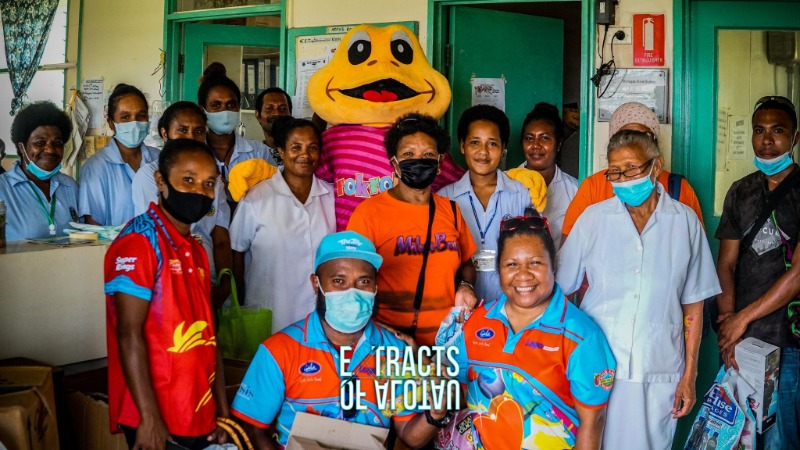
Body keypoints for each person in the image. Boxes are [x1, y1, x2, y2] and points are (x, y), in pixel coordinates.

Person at [556, 130, 721, 449]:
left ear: (656, 166)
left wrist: (690, 374)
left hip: (657, 367)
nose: (621, 179)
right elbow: (561, 289)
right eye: (614, 171)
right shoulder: (594, 219)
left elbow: (694, 306)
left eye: (630, 168)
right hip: (597, 366)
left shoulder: (684, 222)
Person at [231, 230, 449, 449]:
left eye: (363, 281)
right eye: (338, 281)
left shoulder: (396, 351)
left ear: (375, 286)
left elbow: (410, 436)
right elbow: (250, 427)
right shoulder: (279, 350)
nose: (352, 293)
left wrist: (436, 413)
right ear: (316, 284)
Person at [436, 213, 615, 450]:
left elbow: (592, 423)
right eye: (512, 264)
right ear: (498, 269)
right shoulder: (476, 323)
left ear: (554, 266)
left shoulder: (581, 336)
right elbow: (447, 385)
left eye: (535, 263)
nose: (523, 275)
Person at [104, 138, 228, 450]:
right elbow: (128, 334)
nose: (200, 191)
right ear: (160, 181)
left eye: (208, 183)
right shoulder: (140, 242)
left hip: (199, 412)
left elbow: (209, 336)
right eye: (188, 180)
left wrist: (222, 410)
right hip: (157, 417)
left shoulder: (196, 249)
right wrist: (149, 417)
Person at [347, 113, 478, 346]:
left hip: (446, 342)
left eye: (428, 154)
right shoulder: (369, 213)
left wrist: (465, 286)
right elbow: (353, 284)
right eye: (408, 154)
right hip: (389, 343)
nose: (419, 160)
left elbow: (467, 262)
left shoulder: (451, 211)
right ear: (394, 162)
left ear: (439, 162)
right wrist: (391, 336)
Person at [716, 95, 800, 449]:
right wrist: (727, 322)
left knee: (780, 440)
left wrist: (741, 319)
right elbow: (726, 263)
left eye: (777, 131)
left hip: (790, 342)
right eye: (759, 130)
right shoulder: (741, 191)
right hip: (743, 344)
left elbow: (798, 274)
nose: (767, 140)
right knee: (738, 438)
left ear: (794, 138)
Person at [229, 117, 335, 332]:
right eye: (296, 147)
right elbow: (236, 251)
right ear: (282, 151)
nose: (305, 155)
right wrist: (239, 303)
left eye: (312, 147)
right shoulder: (257, 198)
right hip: (270, 315)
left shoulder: (331, 196)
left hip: (320, 319)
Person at [131, 101, 232, 308]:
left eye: (198, 131)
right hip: (168, 282)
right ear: (165, 133)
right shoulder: (150, 176)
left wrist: (224, 285)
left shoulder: (213, 178)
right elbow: (157, 234)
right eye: (182, 130)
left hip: (208, 279)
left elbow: (220, 236)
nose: (191, 138)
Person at [561, 101, 704, 241]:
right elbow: (570, 250)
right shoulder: (593, 187)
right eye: (627, 137)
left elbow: (696, 251)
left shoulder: (679, 189)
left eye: (643, 137)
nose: (635, 145)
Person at [439, 105, 533, 303]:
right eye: (475, 142)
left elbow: (533, 250)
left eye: (492, 144)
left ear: (503, 148)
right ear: (463, 145)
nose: (483, 152)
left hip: (510, 305)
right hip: (459, 306)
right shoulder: (445, 198)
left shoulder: (520, 194)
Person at [79, 84, 160, 226]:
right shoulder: (96, 168)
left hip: (157, 246)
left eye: (141, 116)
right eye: (125, 117)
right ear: (111, 123)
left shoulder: (160, 160)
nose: (134, 123)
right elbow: (93, 229)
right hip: (113, 247)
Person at [0, 102, 78, 241]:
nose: (50, 150)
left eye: (57, 143)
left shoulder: (71, 187)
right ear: (22, 147)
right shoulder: (3, 189)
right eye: (40, 143)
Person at [198, 63, 275, 200]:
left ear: (239, 107)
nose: (225, 110)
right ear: (202, 110)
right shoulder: (194, 153)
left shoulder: (259, 152)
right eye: (216, 105)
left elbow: (274, 197)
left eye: (231, 104)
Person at [519, 102, 578, 248]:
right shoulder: (506, 183)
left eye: (544, 138)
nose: (535, 145)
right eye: (529, 138)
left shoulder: (575, 190)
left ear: (558, 144)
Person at [254, 87, 292, 165]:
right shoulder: (252, 154)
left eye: (283, 109)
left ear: (290, 114)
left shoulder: (302, 152)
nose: (277, 113)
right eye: (269, 109)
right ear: (258, 116)